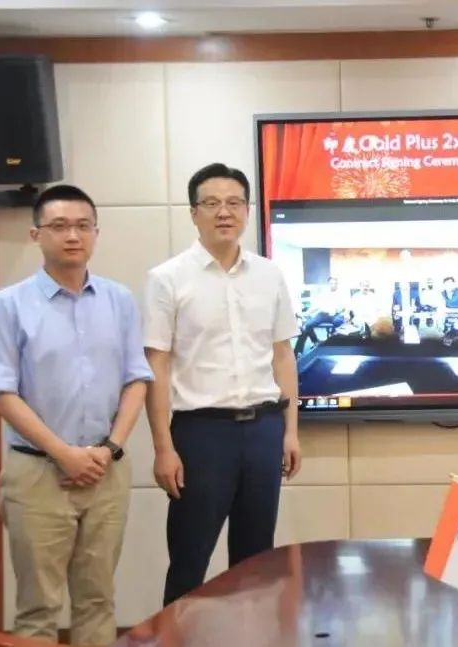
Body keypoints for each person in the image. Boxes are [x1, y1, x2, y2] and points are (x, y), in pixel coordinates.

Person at [0, 185, 152, 644]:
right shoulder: (9, 304)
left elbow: (137, 379)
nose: (72, 236)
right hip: (38, 473)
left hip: (106, 470)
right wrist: (63, 454)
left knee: (98, 600)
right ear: (37, 235)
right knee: (39, 607)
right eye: (59, 226)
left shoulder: (119, 300)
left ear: (96, 233)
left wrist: (110, 448)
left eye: (82, 226)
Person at [143, 163, 302, 606]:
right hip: (201, 434)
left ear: (248, 210)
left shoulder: (269, 274)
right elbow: (156, 364)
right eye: (211, 203)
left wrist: (290, 431)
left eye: (234, 203)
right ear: (194, 213)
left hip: (265, 429)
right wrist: (163, 447)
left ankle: (251, 635)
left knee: (256, 562)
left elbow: (282, 355)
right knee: (189, 560)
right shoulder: (167, 278)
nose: (224, 212)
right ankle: (178, 637)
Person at [294, 276, 346, 355]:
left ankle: (333, 338)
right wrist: (306, 313)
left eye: (335, 283)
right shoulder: (324, 294)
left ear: (337, 284)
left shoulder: (341, 294)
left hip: (335, 315)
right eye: (331, 283)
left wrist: (341, 311)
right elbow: (316, 306)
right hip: (323, 315)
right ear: (328, 284)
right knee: (308, 325)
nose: (333, 285)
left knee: (339, 321)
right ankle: (315, 341)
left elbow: (344, 308)